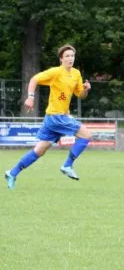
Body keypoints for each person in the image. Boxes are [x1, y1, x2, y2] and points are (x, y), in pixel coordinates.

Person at [4, 45, 92, 190]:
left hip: (54, 118)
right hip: (56, 116)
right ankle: (67, 165)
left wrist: (86, 89)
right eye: (67, 56)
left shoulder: (76, 74)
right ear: (61, 59)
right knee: (87, 135)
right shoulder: (55, 72)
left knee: (39, 150)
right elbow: (34, 79)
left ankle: (12, 173)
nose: (71, 58)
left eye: (72, 56)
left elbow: (80, 95)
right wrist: (30, 98)